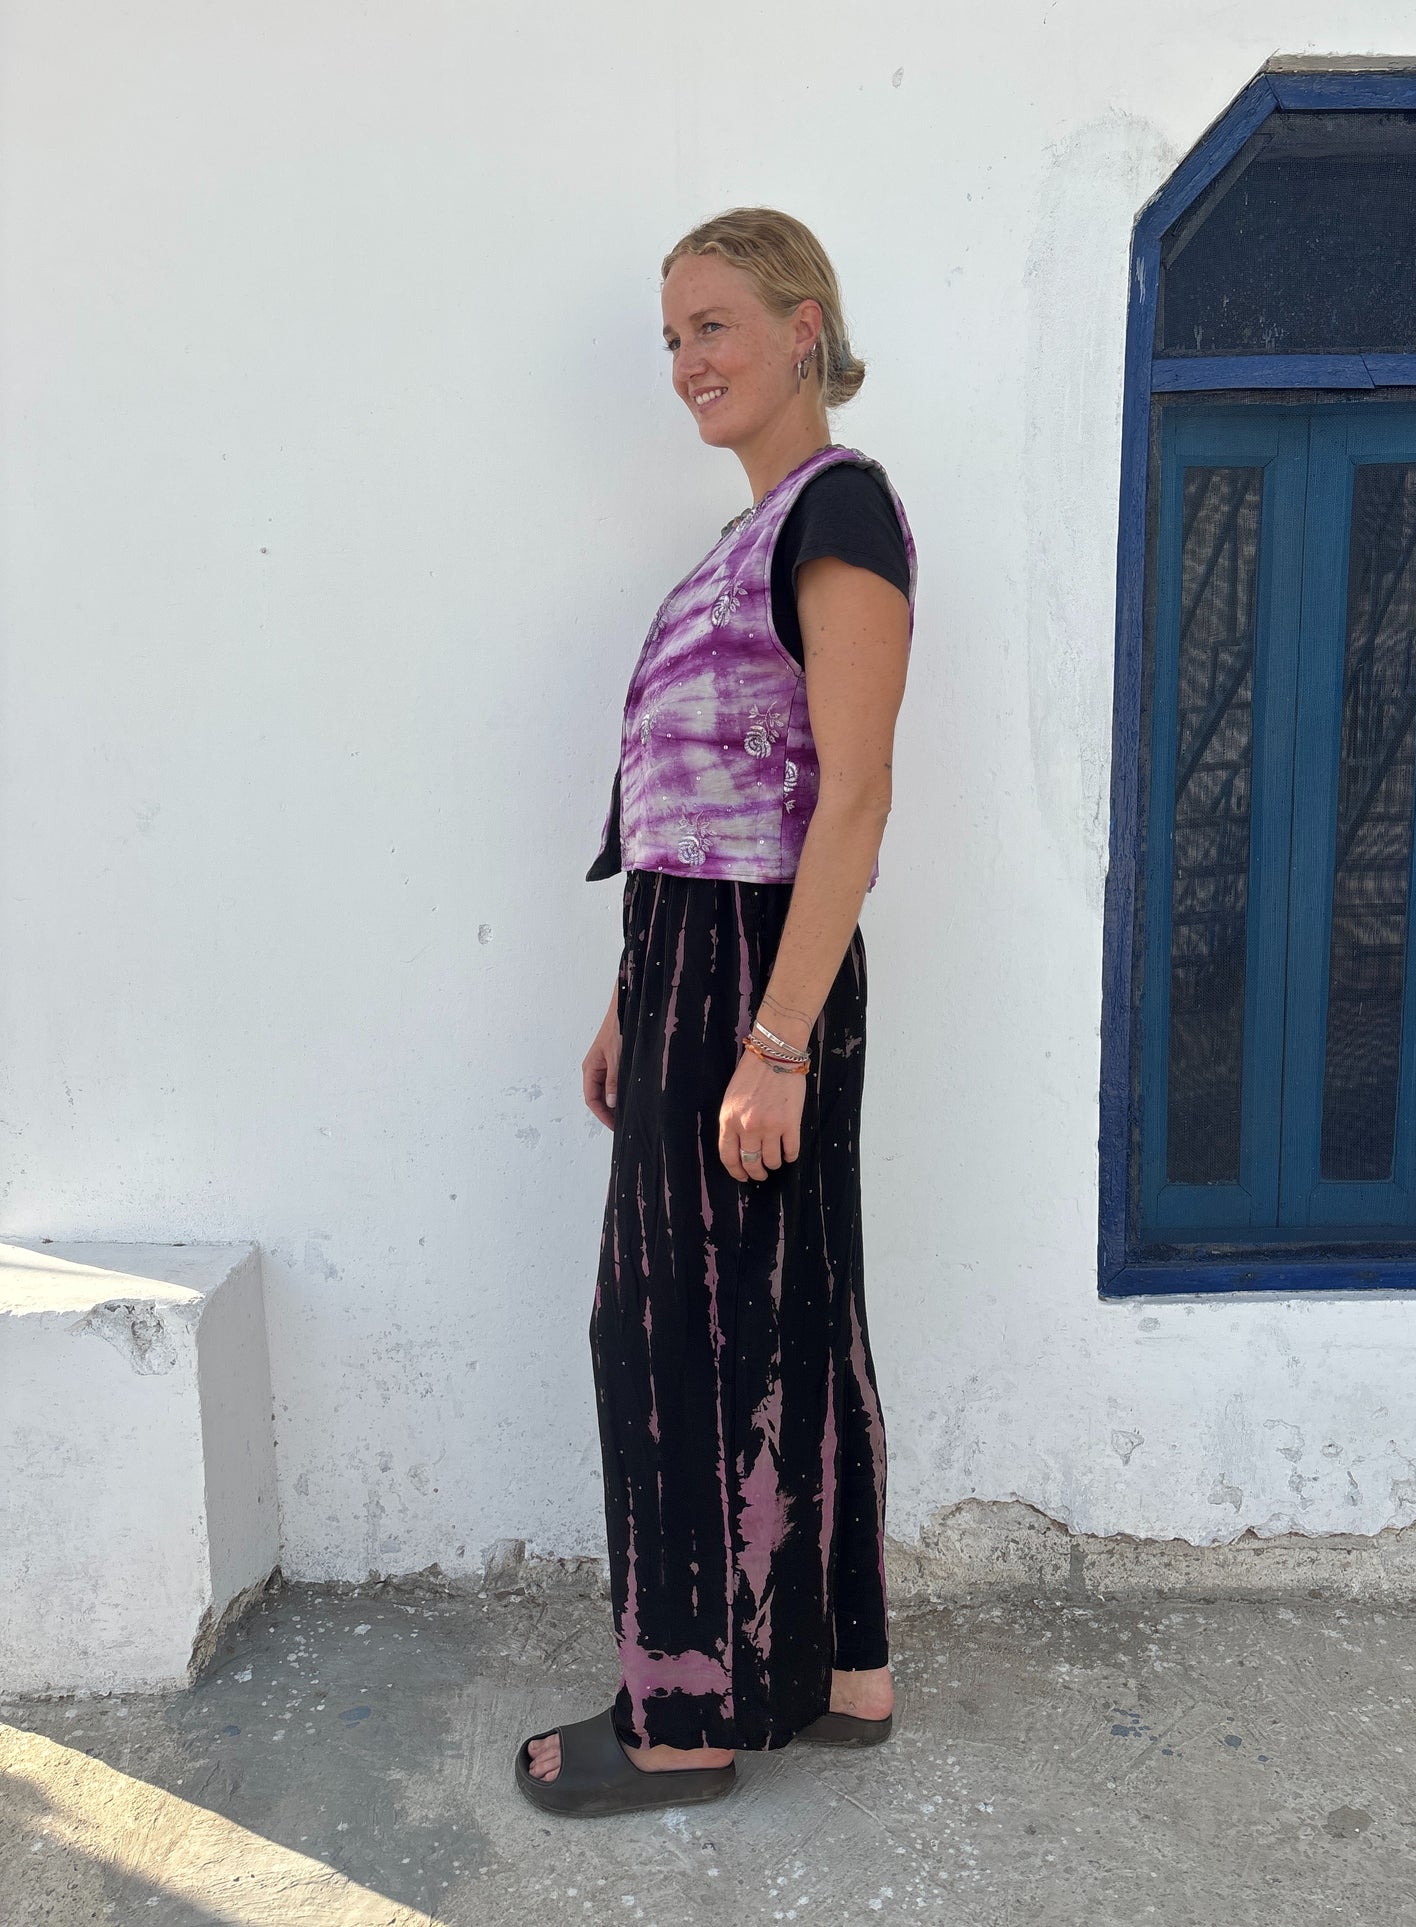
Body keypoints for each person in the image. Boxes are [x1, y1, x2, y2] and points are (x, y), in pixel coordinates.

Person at [515, 207, 917, 1816]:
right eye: (671, 337)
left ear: (802, 327)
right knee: (789, 1311)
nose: (686, 361)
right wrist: (634, 996)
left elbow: (852, 802)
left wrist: (772, 1041)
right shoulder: (746, 538)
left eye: (714, 327)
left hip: (763, 968)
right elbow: (693, 808)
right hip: (697, 960)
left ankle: (681, 1718)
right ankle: (841, 1671)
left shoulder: (839, 509)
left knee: (666, 1333)